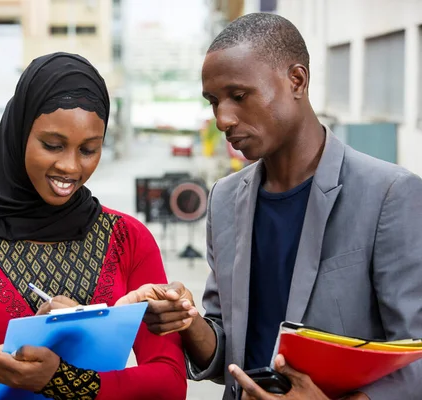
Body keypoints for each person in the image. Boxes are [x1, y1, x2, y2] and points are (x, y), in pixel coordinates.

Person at [116, 13, 422, 400]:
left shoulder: (390, 194)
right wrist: (186, 319)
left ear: (297, 80)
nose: (223, 119)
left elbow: (415, 357)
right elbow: (228, 347)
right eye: (214, 102)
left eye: (239, 96)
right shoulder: (225, 199)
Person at [0, 52, 187, 400]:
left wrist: (65, 378)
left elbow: (169, 382)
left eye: (88, 149)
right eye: (52, 145)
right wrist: (6, 369)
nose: (70, 167)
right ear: (20, 132)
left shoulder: (127, 239)